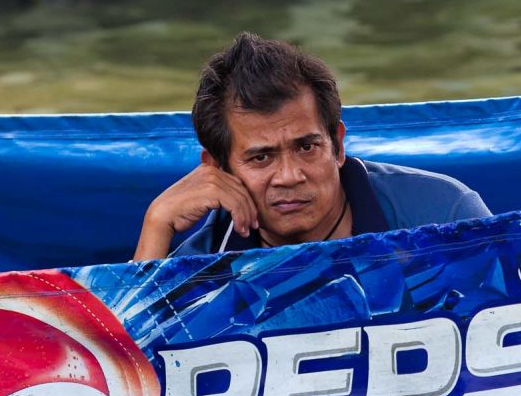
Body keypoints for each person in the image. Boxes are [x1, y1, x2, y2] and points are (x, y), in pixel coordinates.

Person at [133, 32, 490, 261]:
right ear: (218, 170)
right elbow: (126, 368)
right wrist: (156, 225)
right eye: (261, 157)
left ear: (337, 146)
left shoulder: (445, 215)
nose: (289, 176)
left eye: (307, 147)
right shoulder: (198, 264)